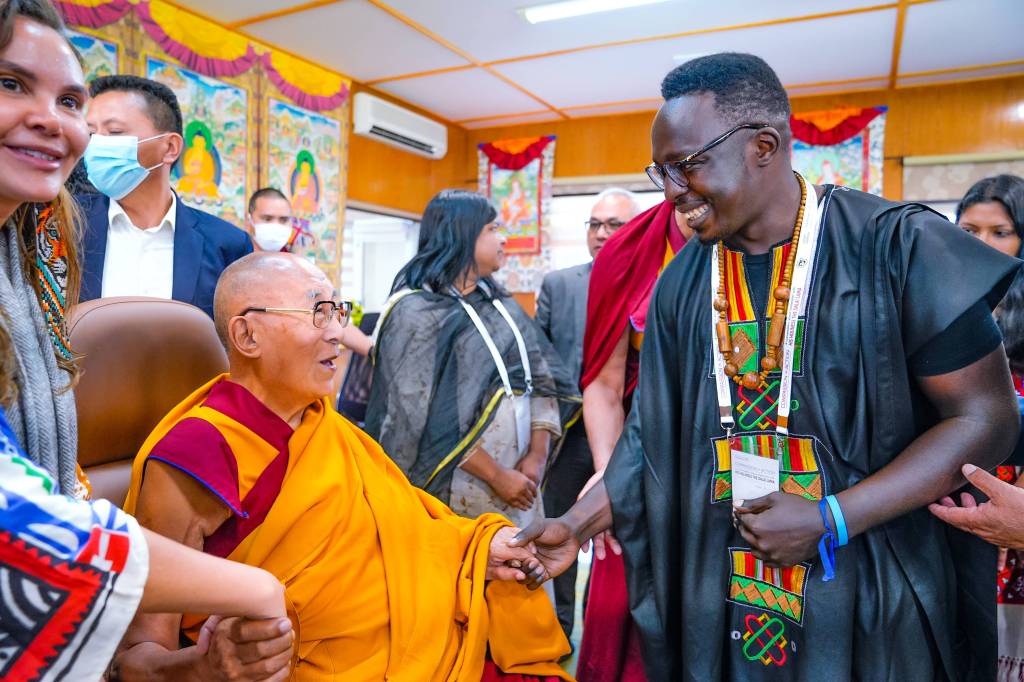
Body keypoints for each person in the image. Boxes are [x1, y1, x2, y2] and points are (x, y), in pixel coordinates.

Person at [514, 52, 1021, 680]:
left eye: (687, 165)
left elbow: (987, 418)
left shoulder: (897, 247)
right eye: (661, 171)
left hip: (869, 592)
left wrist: (832, 517)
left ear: (763, 146)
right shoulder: (681, 285)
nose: (671, 192)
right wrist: (574, 524)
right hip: (720, 588)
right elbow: (649, 441)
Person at [0, 3, 296, 679]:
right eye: (12, 84)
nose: (56, 122)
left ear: (168, 148)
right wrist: (252, 591)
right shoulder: (60, 226)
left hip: (176, 463)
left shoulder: (27, 242)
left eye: (68, 102)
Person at [116, 251, 571, 681]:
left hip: (422, 647)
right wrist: (206, 668)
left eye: (338, 310)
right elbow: (137, 659)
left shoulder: (329, 428)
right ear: (247, 335)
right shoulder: (196, 454)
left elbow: (409, 531)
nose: (337, 331)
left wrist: (481, 550)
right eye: (318, 312)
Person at [365, 190, 580, 531]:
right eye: (492, 229)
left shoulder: (501, 306)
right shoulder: (416, 312)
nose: (503, 239)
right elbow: (416, 417)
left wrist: (537, 457)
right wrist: (496, 476)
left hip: (523, 481)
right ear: (461, 234)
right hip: (458, 486)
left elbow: (541, 380)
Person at [572, 182, 690, 680]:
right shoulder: (631, 252)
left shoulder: (768, 237)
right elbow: (605, 381)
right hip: (646, 452)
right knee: (624, 604)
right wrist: (610, 475)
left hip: (738, 453)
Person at [535, 187, 640, 640]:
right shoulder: (559, 284)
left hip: (629, 435)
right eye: (594, 224)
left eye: (613, 224)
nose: (601, 233)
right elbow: (539, 356)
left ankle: (601, 624)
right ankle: (557, 629)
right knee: (560, 525)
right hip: (567, 434)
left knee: (613, 537)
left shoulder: (651, 282)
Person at [78, 75, 251, 318]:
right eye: (91, 133)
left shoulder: (227, 245)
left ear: (170, 148)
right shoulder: (64, 226)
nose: (97, 145)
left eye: (115, 132)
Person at [951, 173, 1024, 680]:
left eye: (1000, 232)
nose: (982, 244)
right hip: (960, 499)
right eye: (969, 231)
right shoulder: (940, 305)